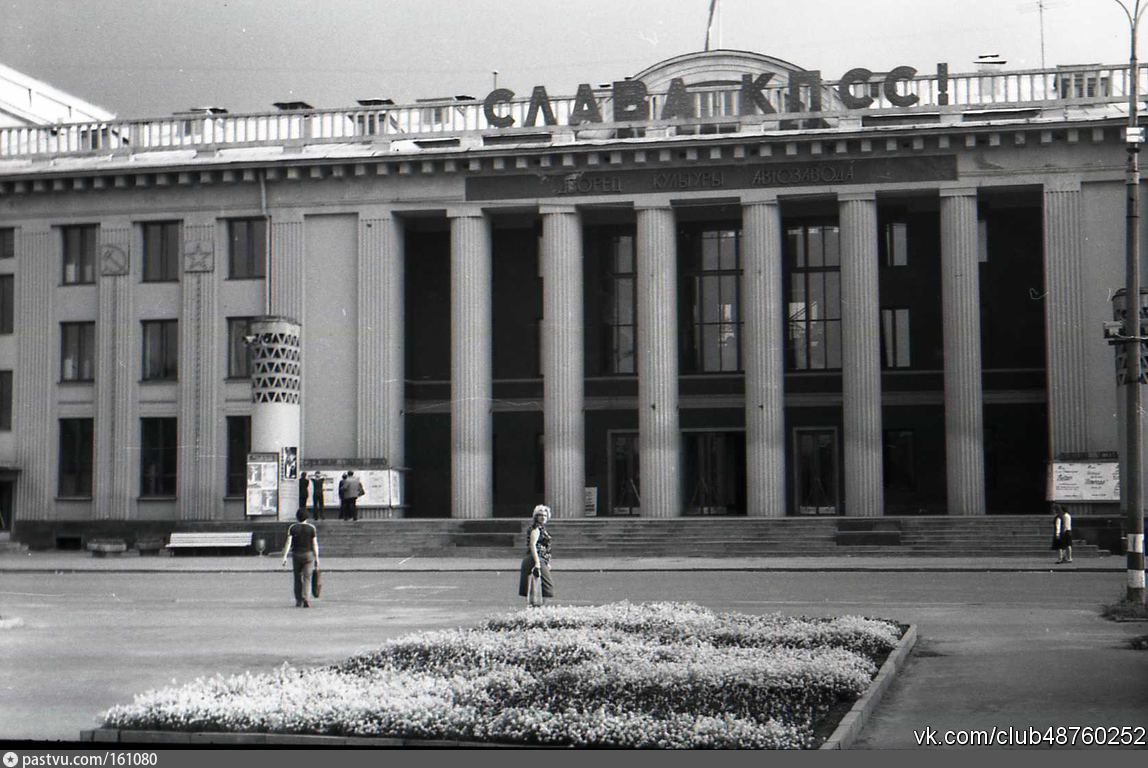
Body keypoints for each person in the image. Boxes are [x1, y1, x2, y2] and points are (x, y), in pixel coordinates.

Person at [281, 509, 320, 607]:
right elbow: (315, 544)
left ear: (297, 517)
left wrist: (285, 556)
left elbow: (288, 543)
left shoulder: (293, 527)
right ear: (307, 517)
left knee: (297, 577)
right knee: (307, 578)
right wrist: (317, 558)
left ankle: (298, 600)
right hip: (308, 555)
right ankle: (306, 598)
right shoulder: (312, 528)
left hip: (296, 554)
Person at [518, 504, 554, 607]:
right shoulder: (536, 529)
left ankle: (537, 608)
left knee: (541, 586)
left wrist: (546, 562)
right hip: (534, 559)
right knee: (546, 586)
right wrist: (537, 562)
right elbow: (532, 545)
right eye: (540, 515)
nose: (543, 517)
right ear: (536, 517)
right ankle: (538, 609)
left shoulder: (541, 529)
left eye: (545, 515)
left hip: (540, 559)